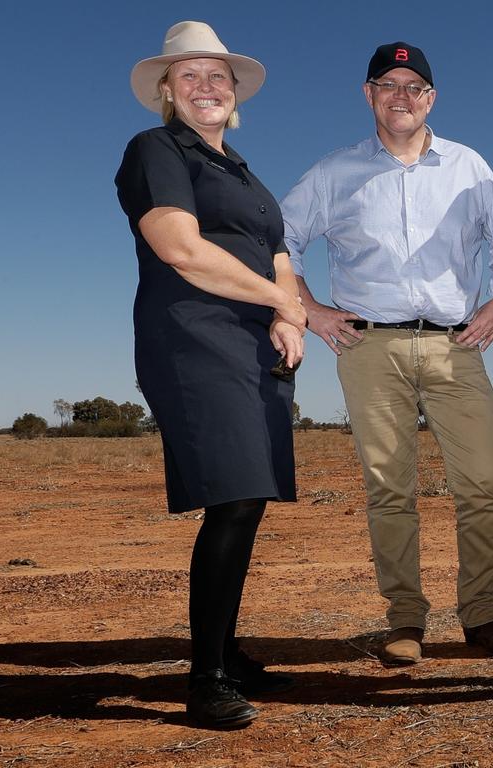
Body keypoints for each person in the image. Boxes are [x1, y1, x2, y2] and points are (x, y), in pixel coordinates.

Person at [280, 42, 493, 667]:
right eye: (388, 84)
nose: (401, 96)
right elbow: (278, 237)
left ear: (431, 99)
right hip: (368, 346)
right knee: (390, 489)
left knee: (483, 484)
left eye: (414, 86)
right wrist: (308, 308)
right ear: (369, 95)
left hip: (456, 345)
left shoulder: (468, 166)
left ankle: (482, 615)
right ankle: (406, 620)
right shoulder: (335, 172)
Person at [115, 21, 307, 729]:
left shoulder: (245, 174)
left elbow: (276, 253)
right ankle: (207, 678)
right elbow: (179, 247)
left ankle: (227, 647)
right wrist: (280, 301)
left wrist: (288, 314)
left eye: (217, 76)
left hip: (254, 344)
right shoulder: (155, 151)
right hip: (193, 339)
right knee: (231, 497)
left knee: (248, 497)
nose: (206, 86)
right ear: (166, 90)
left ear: (235, 93)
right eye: (189, 76)